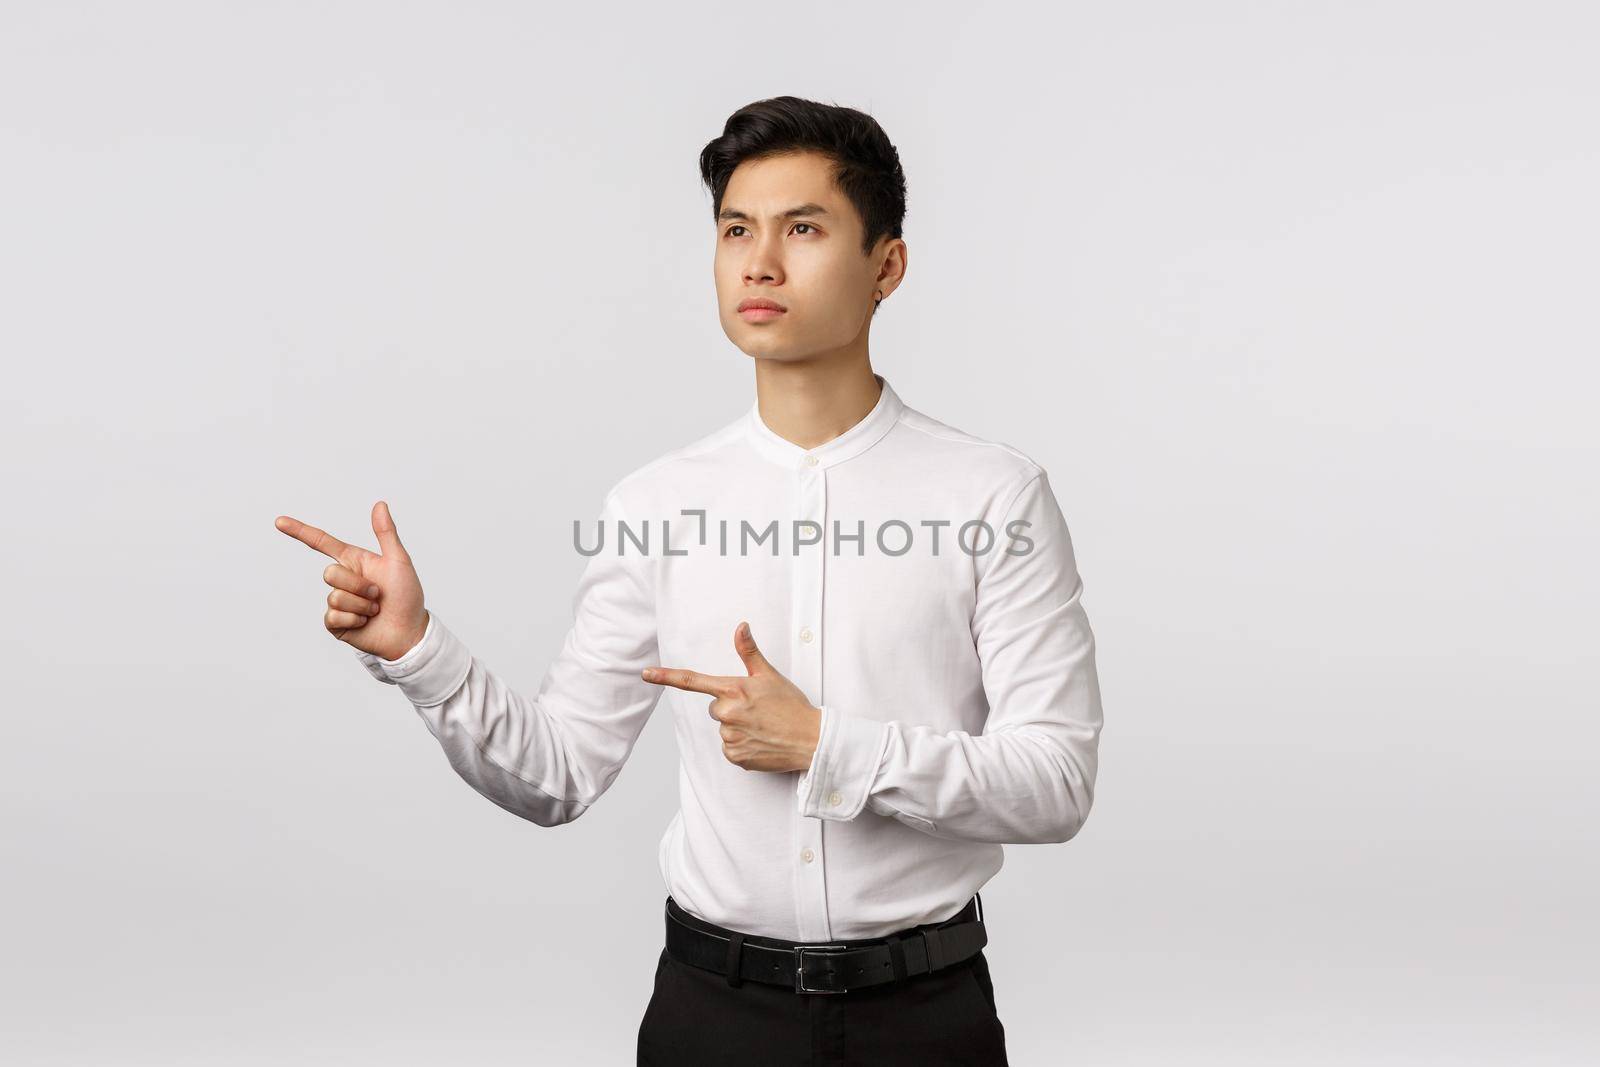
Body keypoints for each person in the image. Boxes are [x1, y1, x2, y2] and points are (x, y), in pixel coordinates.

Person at [274, 95, 1104, 1066]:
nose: (759, 261)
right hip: (714, 1020)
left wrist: (830, 746)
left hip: (921, 1019)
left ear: (887, 264)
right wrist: (419, 652)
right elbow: (556, 773)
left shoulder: (991, 494)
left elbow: (1056, 782)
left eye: (803, 228)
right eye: (735, 230)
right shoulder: (655, 503)